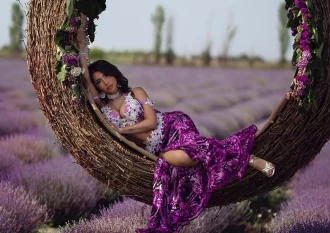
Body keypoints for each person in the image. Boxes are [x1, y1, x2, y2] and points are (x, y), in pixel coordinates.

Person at [77, 30, 292, 232]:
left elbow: (151, 122)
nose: (105, 82)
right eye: (99, 81)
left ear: (114, 73)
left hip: (173, 126)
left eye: (107, 75)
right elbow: (85, 76)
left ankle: (251, 159)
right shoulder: (102, 108)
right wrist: (79, 42)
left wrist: (123, 130)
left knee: (194, 151)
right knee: (186, 161)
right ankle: (240, 153)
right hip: (158, 148)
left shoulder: (136, 92)